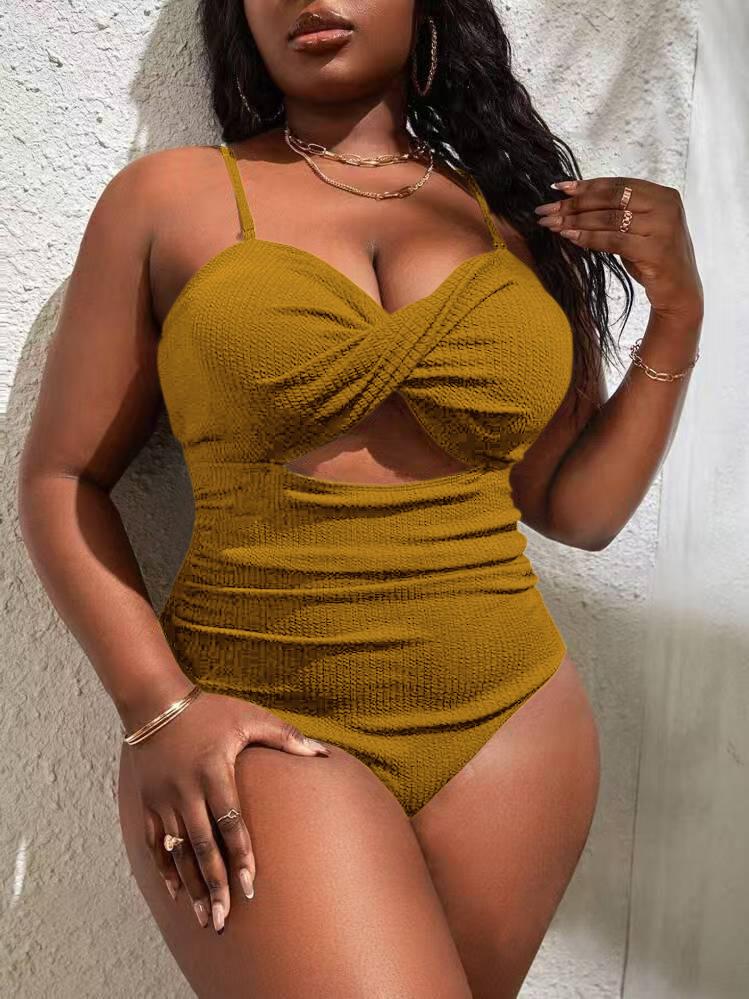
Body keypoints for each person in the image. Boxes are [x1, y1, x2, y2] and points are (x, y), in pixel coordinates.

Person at [17, 2, 704, 996]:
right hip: (262, 723)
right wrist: (157, 707)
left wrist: (676, 313)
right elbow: (62, 479)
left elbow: (573, 509)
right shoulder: (167, 200)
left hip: (512, 726)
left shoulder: (510, 220)